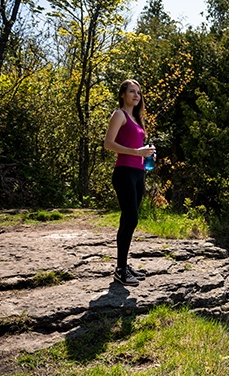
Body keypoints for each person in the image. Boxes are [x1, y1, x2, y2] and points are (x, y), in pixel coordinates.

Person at [104, 79, 156, 286]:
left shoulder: (136, 118)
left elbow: (136, 146)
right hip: (124, 172)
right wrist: (137, 152)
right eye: (132, 92)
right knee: (131, 219)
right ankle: (120, 269)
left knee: (128, 220)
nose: (136, 96)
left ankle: (123, 266)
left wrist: (147, 155)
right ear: (123, 94)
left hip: (138, 172)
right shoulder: (119, 115)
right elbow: (108, 144)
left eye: (139, 93)